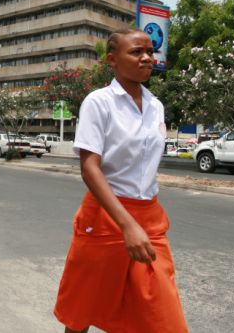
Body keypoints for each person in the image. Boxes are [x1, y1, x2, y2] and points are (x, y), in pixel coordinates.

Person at [54, 28, 188, 333]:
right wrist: (126, 224)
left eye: (150, 52)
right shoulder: (99, 102)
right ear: (112, 60)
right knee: (82, 310)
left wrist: (138, 222)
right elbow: (90, 167)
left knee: (162, 314)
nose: (147, 58)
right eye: (136, 52)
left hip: (150, 219)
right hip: (105, 217)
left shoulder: (156, 105)